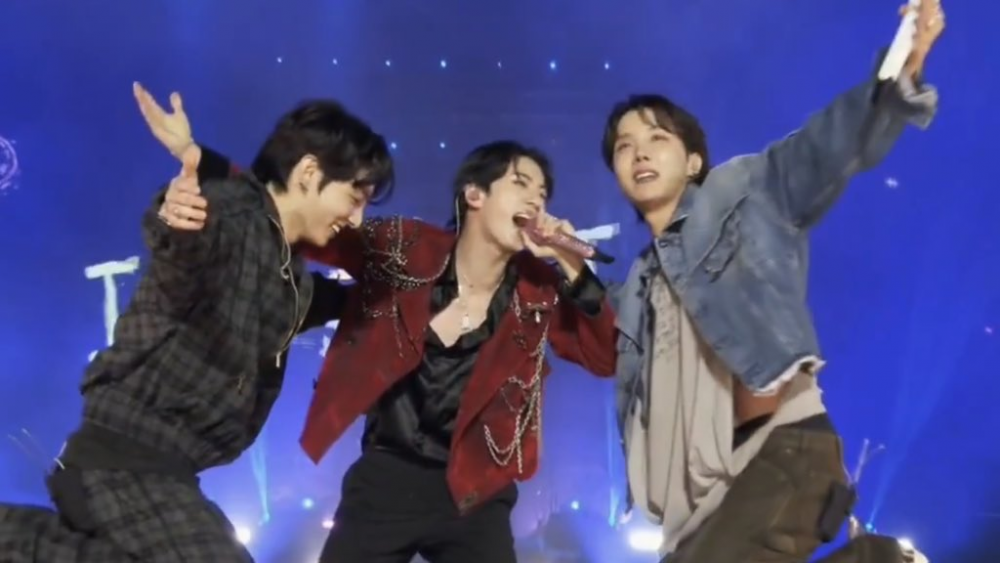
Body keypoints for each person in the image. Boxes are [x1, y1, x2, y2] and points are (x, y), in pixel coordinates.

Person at [141, 86, 618, 563]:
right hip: (388, 473)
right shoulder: (407, 247)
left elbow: (605, 356)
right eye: (521, 183)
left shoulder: (538, 292)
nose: (536, 200)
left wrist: (571, 264)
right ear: (475, 193)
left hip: (476, 487)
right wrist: (200, 159)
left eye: (543, 193)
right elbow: (306, 221)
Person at [604, 1, 944, 562]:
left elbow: (824, 148)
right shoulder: (641, 282)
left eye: (656, 137)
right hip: (706, 501)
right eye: (623, 145)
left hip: (782, 448)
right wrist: (562, 264)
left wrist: (901, 69)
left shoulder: (741, 191)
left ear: (693, 161)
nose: (638, 151)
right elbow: (608, 343)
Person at [0, 94, 394, 562]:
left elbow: (338, 301)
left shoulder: (290, 280)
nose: (356, 219)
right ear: (309, 172)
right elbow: (187, 243)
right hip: (124, 462)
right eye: (354, 198)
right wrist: (177, 216)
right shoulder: (232, 214)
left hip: (166, 473)